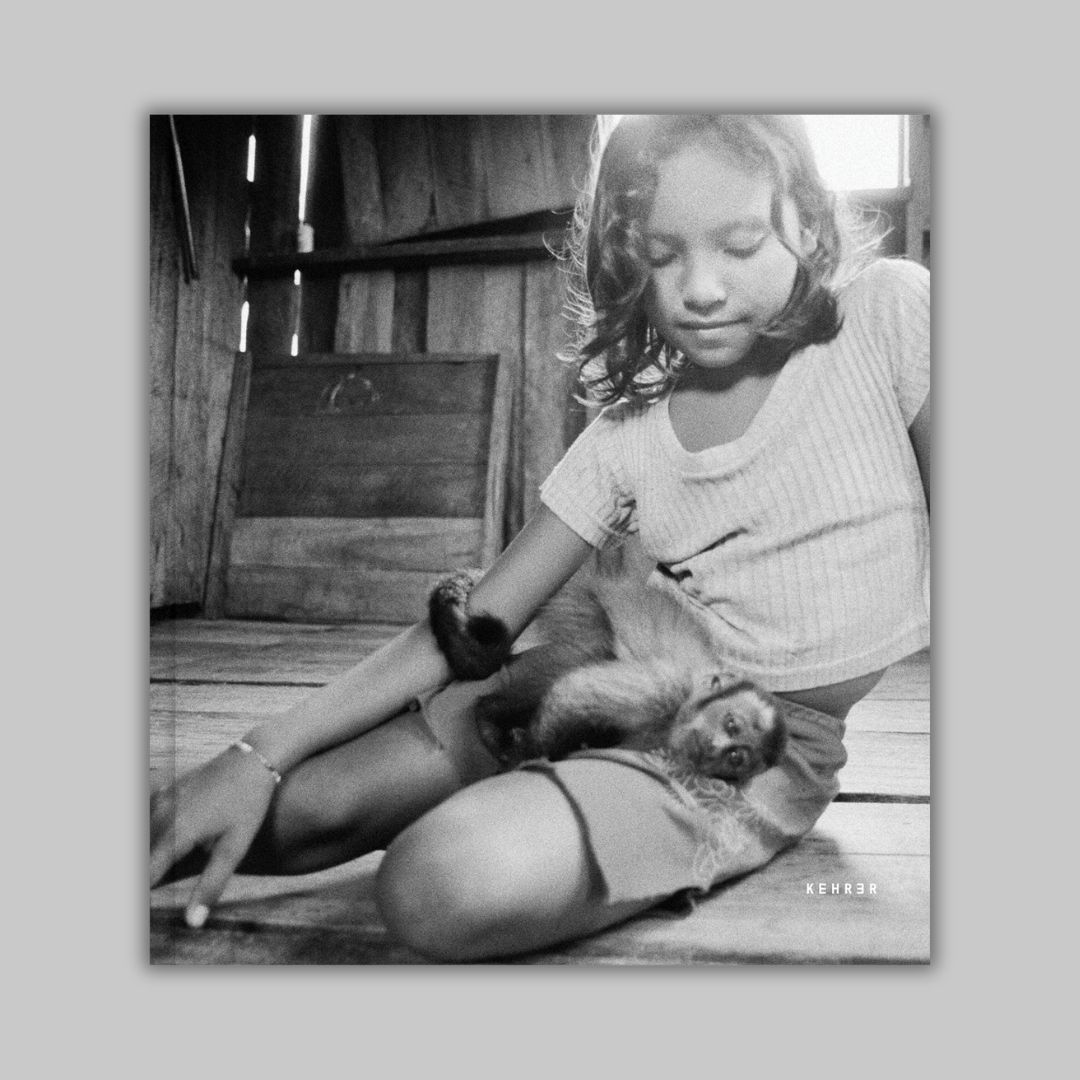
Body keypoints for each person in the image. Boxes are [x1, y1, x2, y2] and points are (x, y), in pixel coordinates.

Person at [150, 114, 930, 962]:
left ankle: (561, 808)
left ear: (808, 226)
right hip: (584, 680)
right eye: (662, 256)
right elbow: (476, 625)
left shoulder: (886, 317)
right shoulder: (628, 432)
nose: (698, 288)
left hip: (745, 744)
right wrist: (256, 752)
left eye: (740, 243)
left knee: (438, 880)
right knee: (273, 809)